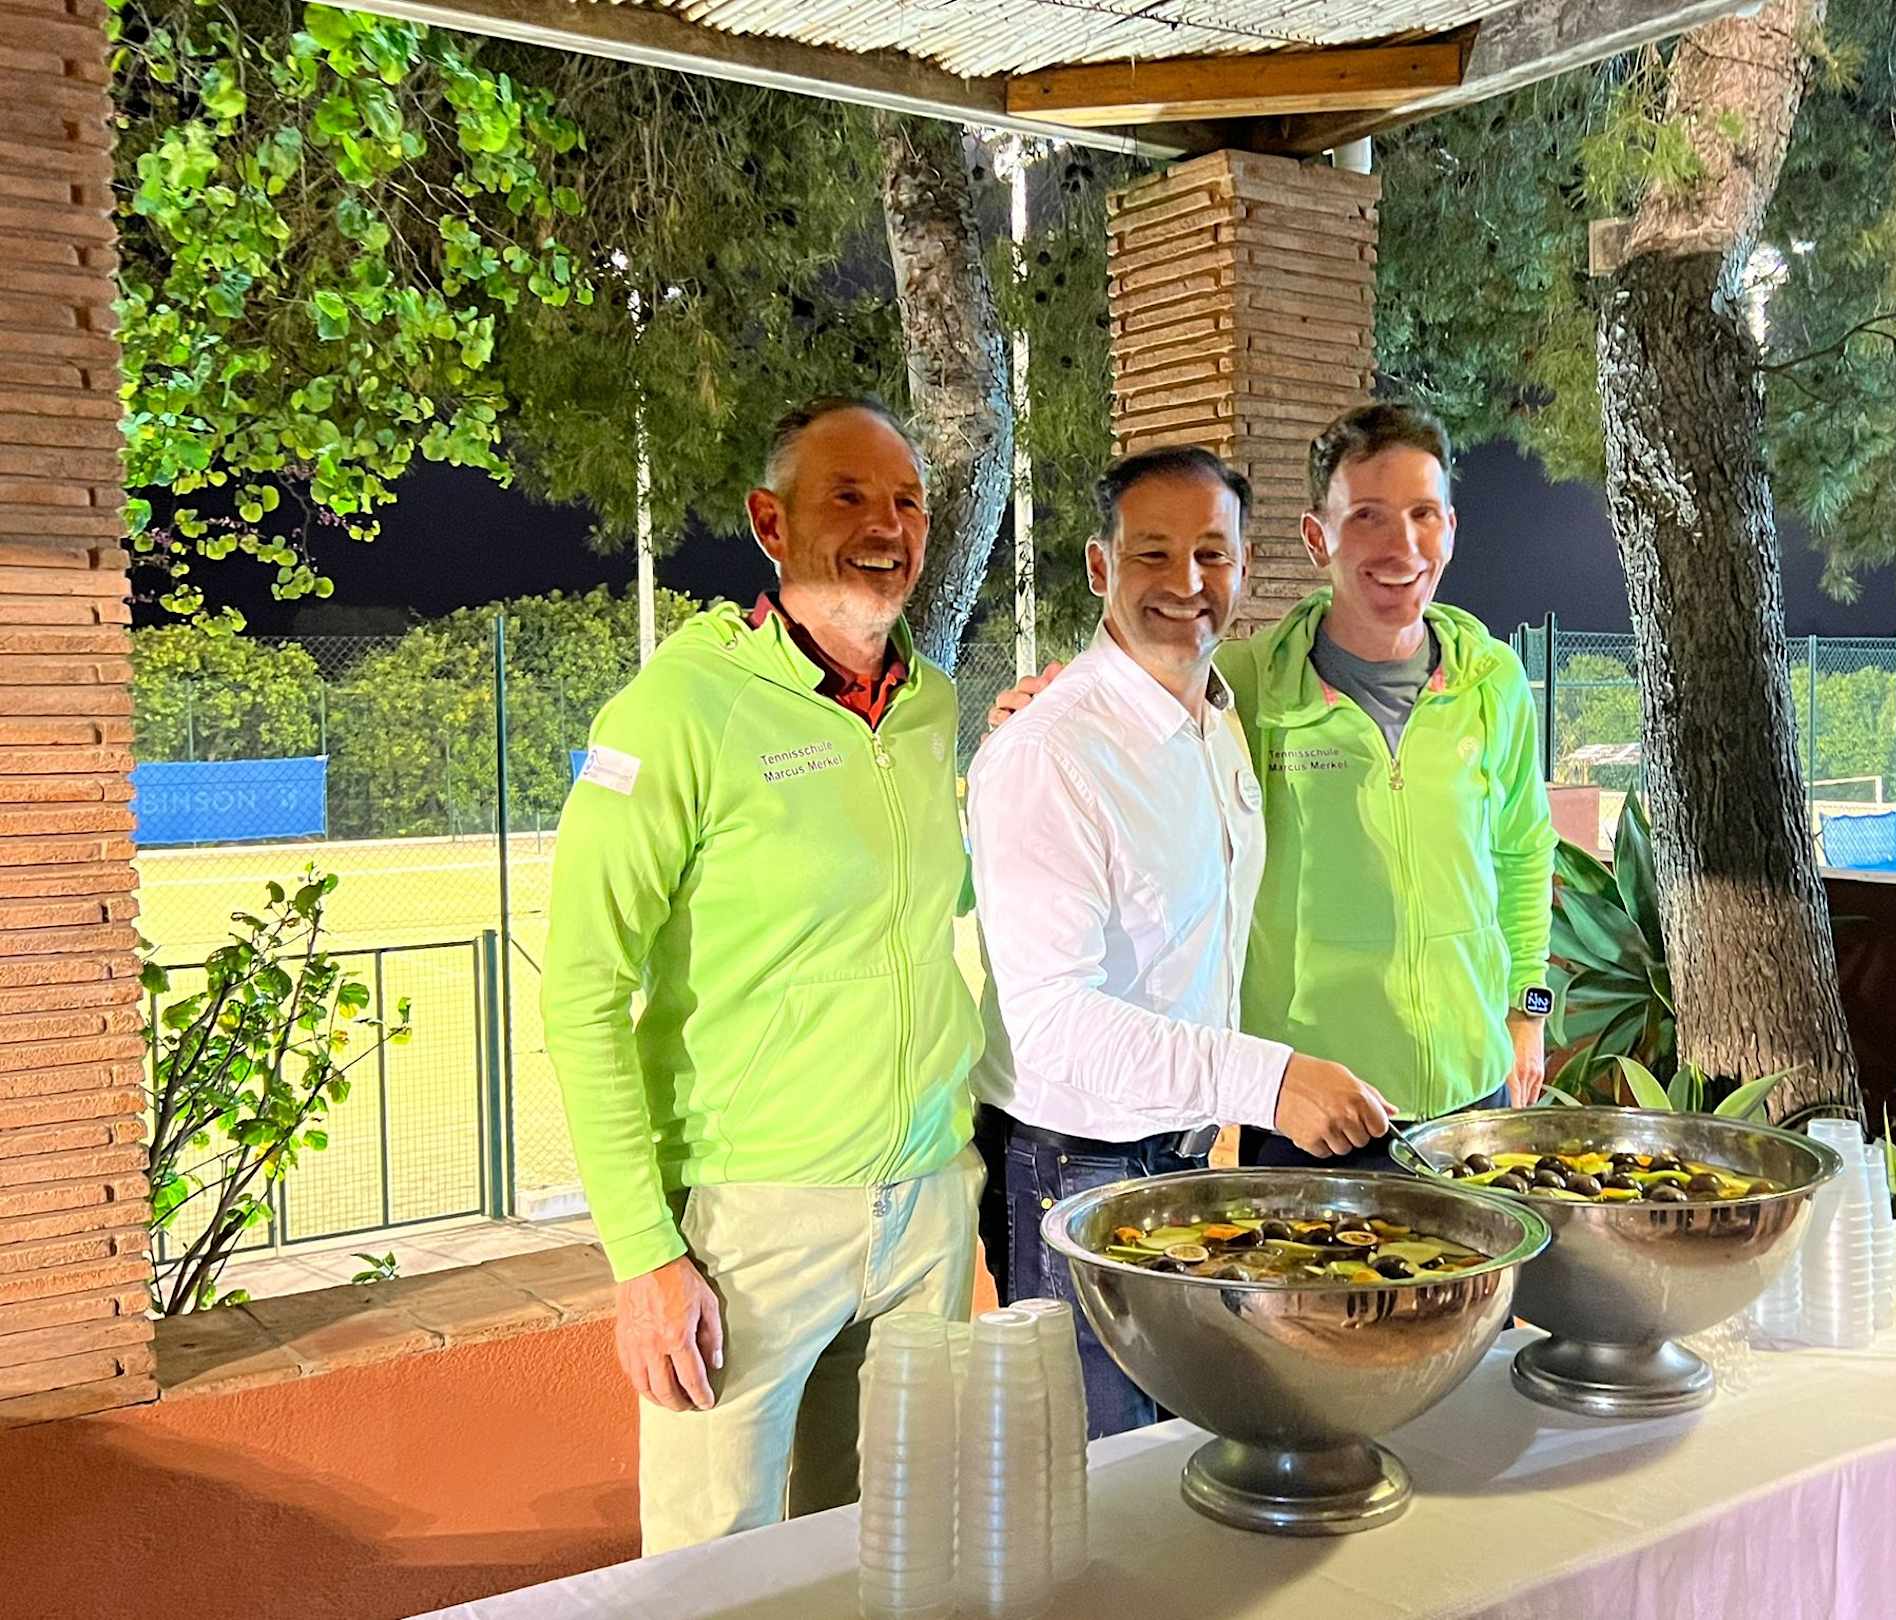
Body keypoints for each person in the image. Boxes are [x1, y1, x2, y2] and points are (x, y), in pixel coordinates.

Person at [542, 397, 986, 1554]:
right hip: (749, 1228)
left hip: (926, 1209)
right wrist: (645, 1255)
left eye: (908, 502)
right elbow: (580, 990)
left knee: (892, 1559)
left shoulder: (933, 706)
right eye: (850, 495)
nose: (887, 525)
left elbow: (949, 899)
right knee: (712, 1580)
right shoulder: (678, 711)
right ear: (770, 523)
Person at [989, 403, 1557, 1174]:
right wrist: (1042, 716)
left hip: (1471, 1090)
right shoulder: (1245, 687)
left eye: (1423, 513)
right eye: (1367, 515)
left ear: (1451, 529)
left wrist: (1527, 1011)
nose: (1400, 545)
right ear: (1316, 538)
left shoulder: (1494, 682)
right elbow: (1132, 707)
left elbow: (1522, 853)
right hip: (1309, 1107)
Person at [968, 444, 1392, 1436]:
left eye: (1212, 553)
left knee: (1174, 1455)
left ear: (1246, 566)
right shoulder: (1048, 752)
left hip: (1186, 1155)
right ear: (1099, 566)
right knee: (1104, 1478)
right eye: (1152, 553)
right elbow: (1051, 1022)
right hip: (1075, 1167)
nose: (1186, 582)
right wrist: (1271, 1080)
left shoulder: (1215, 722)